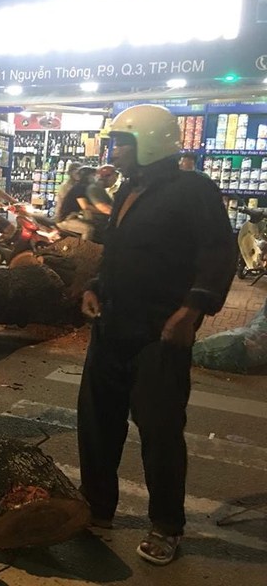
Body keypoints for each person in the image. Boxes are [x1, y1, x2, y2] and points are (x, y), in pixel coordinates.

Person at [77, 104, 236, 566]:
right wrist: (94, 286)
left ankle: (167, 525)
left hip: (158, 336)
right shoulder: (128, 189)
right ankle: (97, 507)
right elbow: (117, 253)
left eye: (121, 143)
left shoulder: (194, 191)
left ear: (148, 143)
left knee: (161, 432)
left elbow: (217, 255)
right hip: (112, 327)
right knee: (96, 423)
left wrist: (191, 311)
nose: (114, 151)